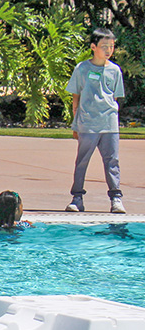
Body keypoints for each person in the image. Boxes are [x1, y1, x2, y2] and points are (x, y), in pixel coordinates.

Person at [65, 28, 125, 214]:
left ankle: (116, 199)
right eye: (104, 46)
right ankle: (77, 198)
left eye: (111, 46)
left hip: (109, 124)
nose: (108, 50)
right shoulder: (82, 69)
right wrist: (75, 123)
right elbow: (76, 96)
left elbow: (115, 97)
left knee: (112, 161)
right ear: (93, 47)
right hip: (87, 124)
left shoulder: (115, 70)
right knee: (82, 161)